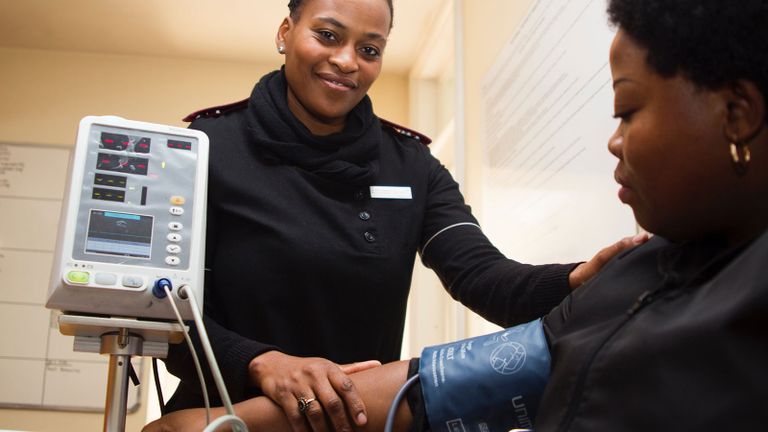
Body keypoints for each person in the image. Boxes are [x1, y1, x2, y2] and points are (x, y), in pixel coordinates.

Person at [145, 0, 768, 430]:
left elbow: (481, 279)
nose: (345, 61)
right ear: (286, 32)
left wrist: (572, 282)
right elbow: (167, 308)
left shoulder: (410, 164)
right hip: (224, 401)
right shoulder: (207, 150)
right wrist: (261, 365)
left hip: (356, 418)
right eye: (327, 35)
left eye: (370, 48)